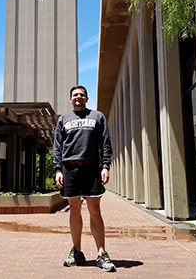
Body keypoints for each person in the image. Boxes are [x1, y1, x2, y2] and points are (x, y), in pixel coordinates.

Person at [53, 85, 116, 272]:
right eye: (75, 95)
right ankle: (77, 252)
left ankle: (101, 253)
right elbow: (57, 146)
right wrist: (58, 170)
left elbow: (105, 143)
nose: (78, 97)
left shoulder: (97, 117)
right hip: (69, 169)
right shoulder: (63, 119)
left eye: (81, 95)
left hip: (91, 168)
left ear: (86, 99)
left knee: (94, 210)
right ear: (70, 99)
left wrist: (105, 166)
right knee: (74, 210)